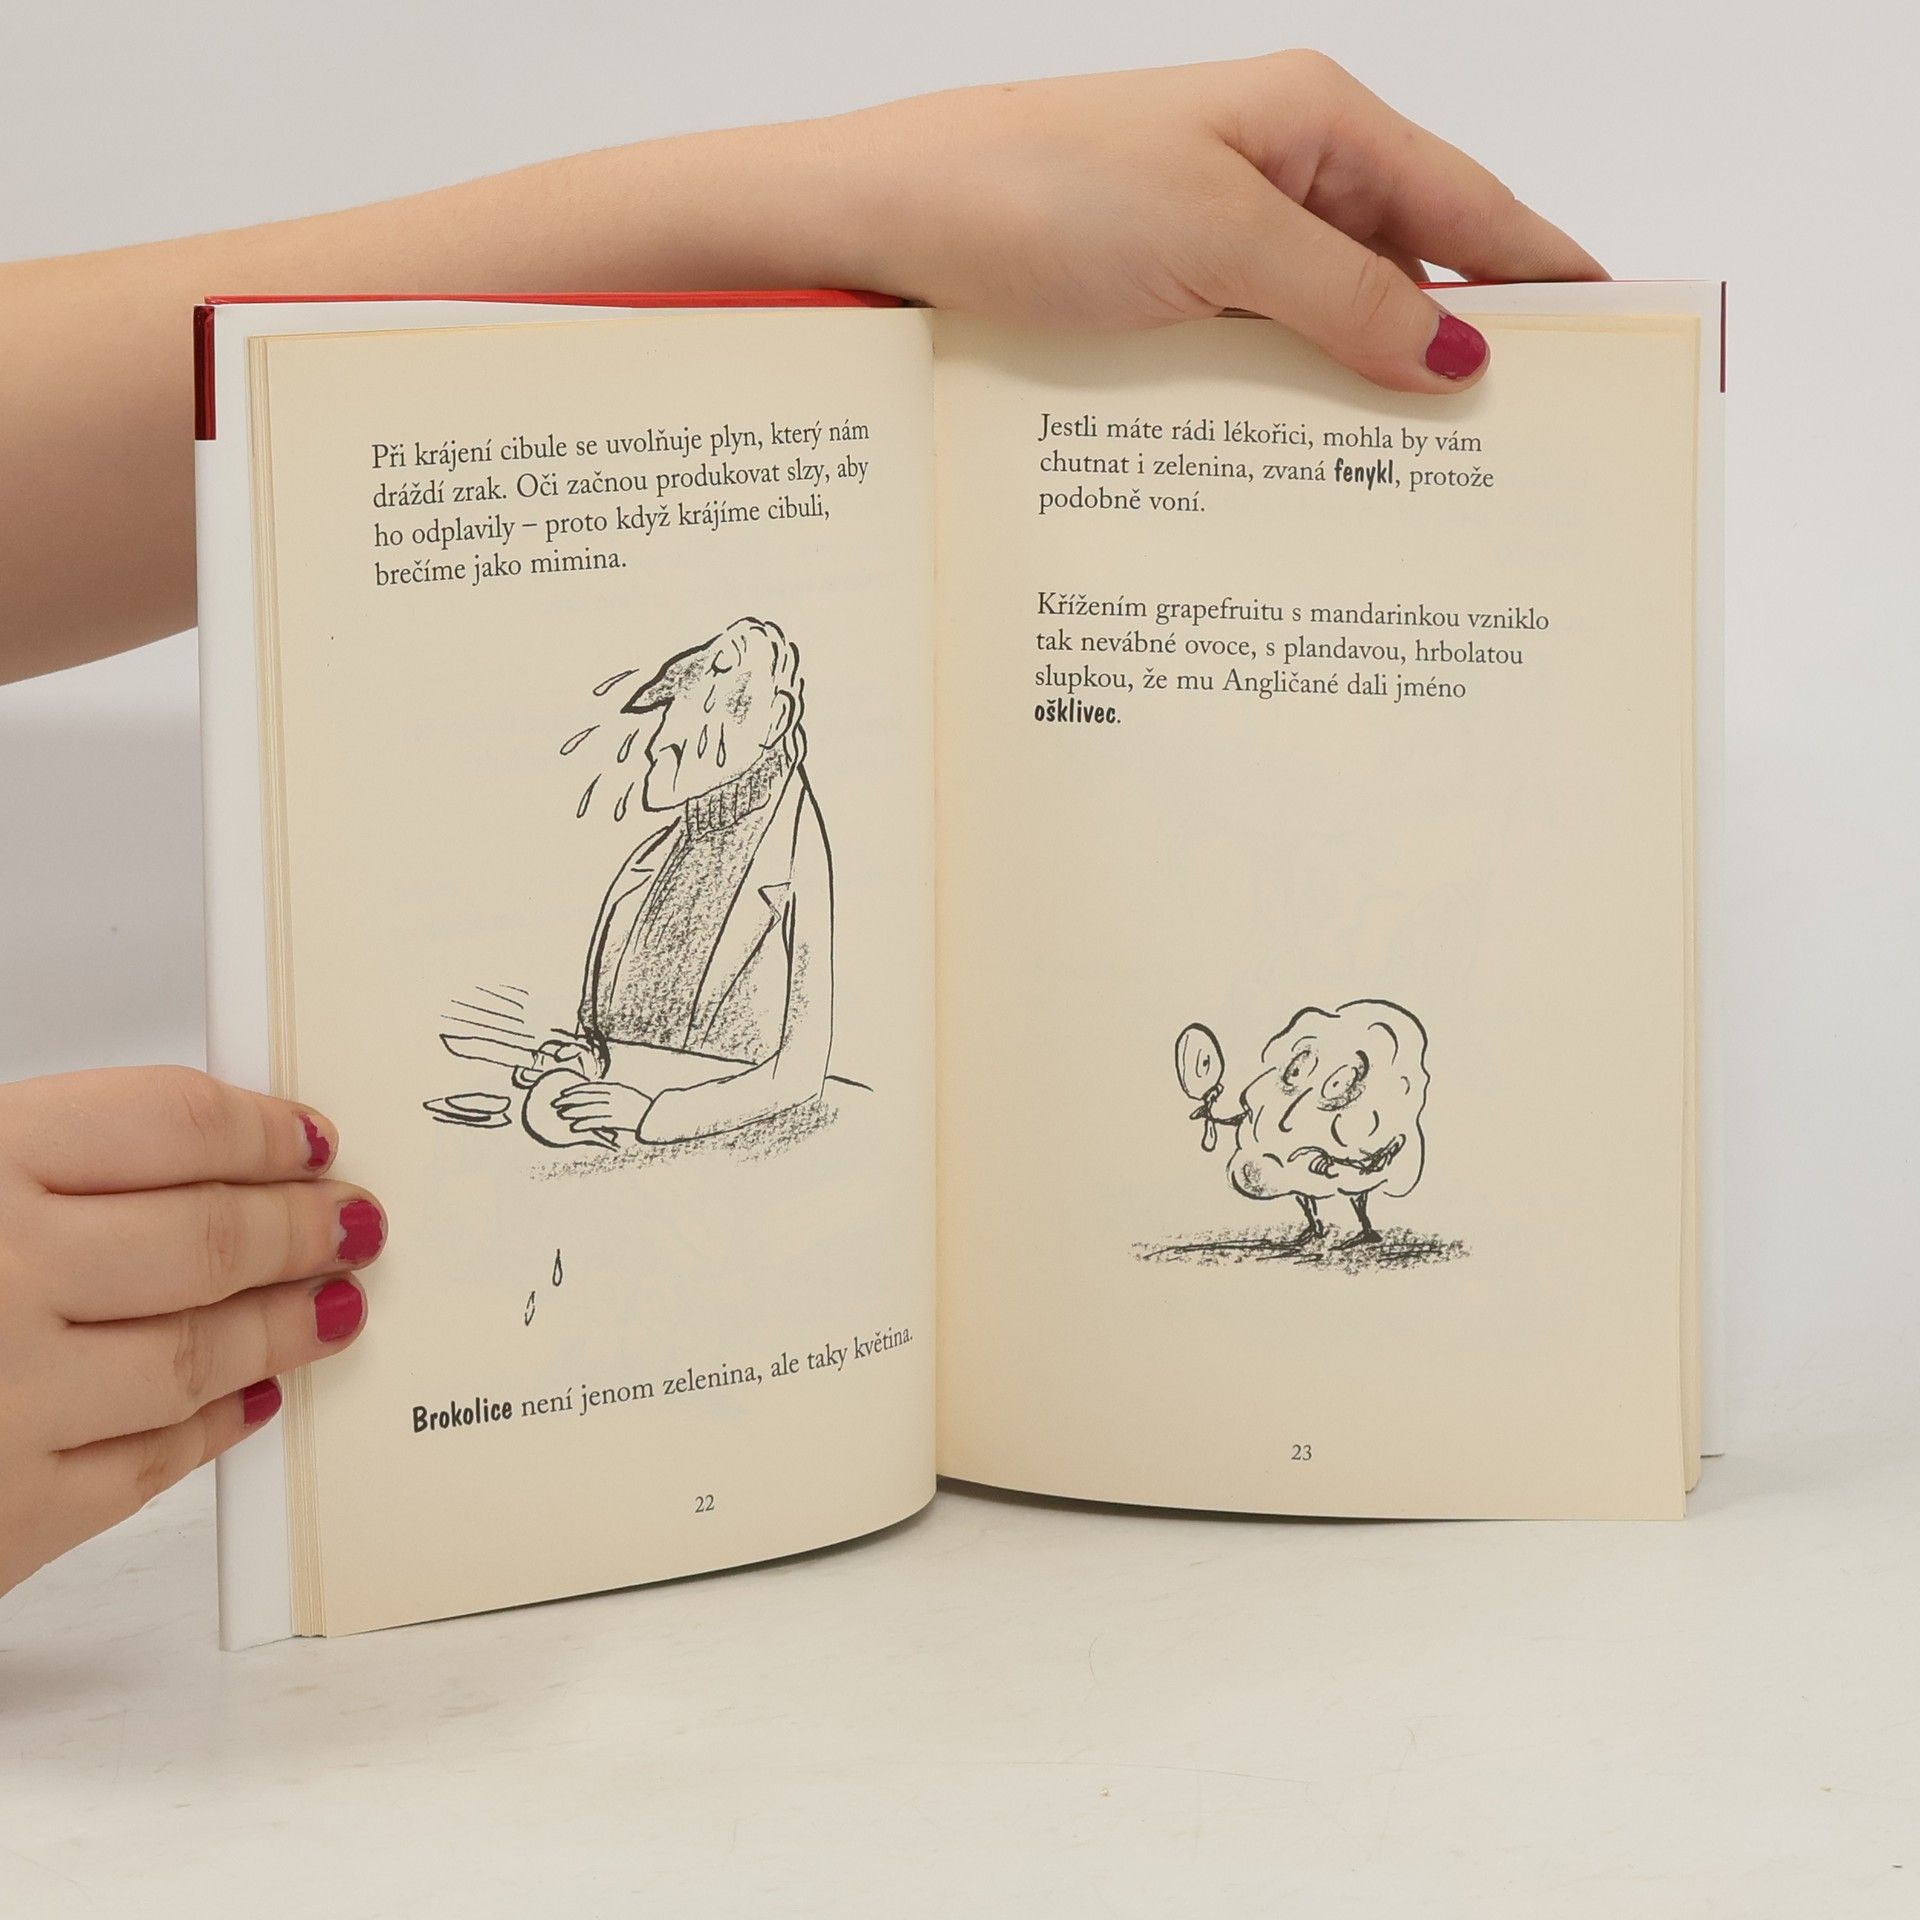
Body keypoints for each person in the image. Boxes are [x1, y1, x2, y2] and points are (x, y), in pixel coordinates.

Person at [0, 51, 1604, 1600]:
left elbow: (779, 1055)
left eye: (710, 729)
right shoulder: (679, 854)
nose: (678, 758)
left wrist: (838, 199)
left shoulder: (776, 843)